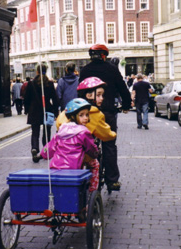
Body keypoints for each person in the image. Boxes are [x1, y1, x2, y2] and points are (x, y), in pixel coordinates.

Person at [79, 44, 131, 191]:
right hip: (107, 112)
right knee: (109, 144)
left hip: (88, 112)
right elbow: (122, 89)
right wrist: (126, 105)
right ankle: (112, 180)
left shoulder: (85, 70)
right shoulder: (111, 69)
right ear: (104, 55)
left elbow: (80, 90)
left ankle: (82, 173)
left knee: (84, 143)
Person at [41, 98, 100, 192]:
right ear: (72, 116)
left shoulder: (61, 130)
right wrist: (96, 153)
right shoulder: (84, 132)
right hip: (74, 168)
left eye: (87, 115)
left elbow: (49, 148)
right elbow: (91, 148)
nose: (85, 118)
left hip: (55, 167)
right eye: (81, 115)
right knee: (95, 164)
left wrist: (42, 154)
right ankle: (92, 191)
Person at [56, 77, 116, 142]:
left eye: (102, 95)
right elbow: (107, 135)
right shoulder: (95, 114)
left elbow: (58, 123)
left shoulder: (69, 109)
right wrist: (114, 134)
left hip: (63, 150)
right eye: (98, 95)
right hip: (83, 151)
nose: (102, 98)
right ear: (88, 95)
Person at [24, 62, 59, 162]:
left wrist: (27, 110)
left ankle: (34, 148)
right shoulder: (50, 83)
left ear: (37, 71)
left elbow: (26, 99)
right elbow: (55, 99)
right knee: (46, 132)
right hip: (47, 110)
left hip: (34, 111)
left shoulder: (31, 83)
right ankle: (46, 150)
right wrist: (56, 112)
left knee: (35, 132)